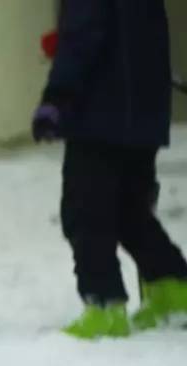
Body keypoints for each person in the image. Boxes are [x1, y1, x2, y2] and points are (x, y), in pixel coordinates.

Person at [33, 0, 187, 338]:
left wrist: (56, 97)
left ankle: (104, 305)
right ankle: (173, 289)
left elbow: (83, 36)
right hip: (144, 115)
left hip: (100, 116)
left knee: (85, 213)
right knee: (129, 212)